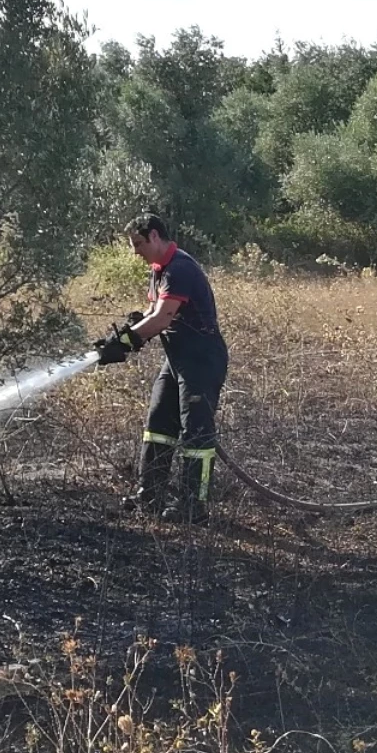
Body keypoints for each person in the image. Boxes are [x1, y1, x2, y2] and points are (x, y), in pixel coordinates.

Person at [93, 212, 229, 523]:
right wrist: (122, 335)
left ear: (155, 236)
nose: (135, 251)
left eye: (138, 243)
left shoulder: (180, 268)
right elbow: (155, 312)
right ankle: (150, 493)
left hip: (201, 360)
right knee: (158, 423)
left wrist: (126, 343)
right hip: (178, 358)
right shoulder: (160, 269)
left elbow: (162, 318)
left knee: (196, 434)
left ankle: (194, 506)